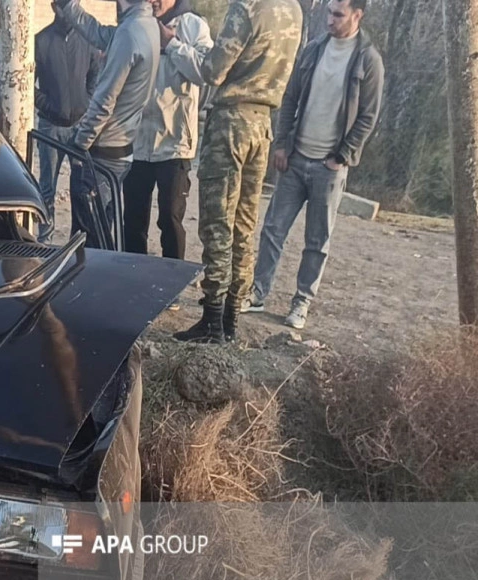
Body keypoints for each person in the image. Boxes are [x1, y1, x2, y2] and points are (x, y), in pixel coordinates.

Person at [170, 0, 303, 344]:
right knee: (245, 225)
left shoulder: (247, 7)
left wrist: (173, 44)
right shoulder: (293, 10)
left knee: (218, 223)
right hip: (263, 125)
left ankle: (212, 319)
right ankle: (230, 319)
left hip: (231, 123)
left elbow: (214, 70)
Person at [246, 0, 384, 330]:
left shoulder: (368, 60)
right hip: (294, 159)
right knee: (273, 230)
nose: (331, 20)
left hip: (329, 167)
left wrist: (341, 156)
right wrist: (282, 144)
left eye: (338, 14)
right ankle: (257, 293)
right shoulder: (313, 49)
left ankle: (301, 301)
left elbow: (368, 117)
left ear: (357, 16)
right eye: (329, 12)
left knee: (317, 240)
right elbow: (290, 97)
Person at [54, 0, 160, 236]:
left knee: (88, 240)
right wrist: (70, 6)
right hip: (121, 147)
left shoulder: (130, 33)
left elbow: (104, 101)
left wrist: (80, 144)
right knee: (101, 231)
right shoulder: (144, 24)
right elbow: (99, 33)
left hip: (103, 151)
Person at [123, 0, 212, 260]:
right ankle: (133, 278)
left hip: (175, 144)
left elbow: (207, 72)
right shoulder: (136, 23)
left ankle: (170, 287)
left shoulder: (195, 26)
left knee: (170, 221)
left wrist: (172, 45)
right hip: (137, 144)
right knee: (133, 220)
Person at [34, 2, 102, 240]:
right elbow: (27, 85)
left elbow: (96, 74)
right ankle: (45, 242)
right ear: (54, 7)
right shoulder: (40, 41)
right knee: (47, 188)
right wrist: (48, 106)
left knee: (82, 188)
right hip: (50, 128)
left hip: (80, 129)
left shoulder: (87, 41)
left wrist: (87, 103)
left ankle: (81, 240)